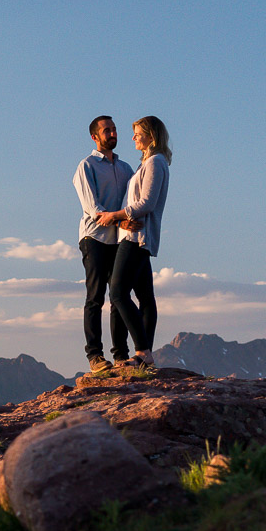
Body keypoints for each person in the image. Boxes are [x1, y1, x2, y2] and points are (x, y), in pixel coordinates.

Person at [97, 115, 171, 367]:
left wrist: (114, 216)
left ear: (151, 135)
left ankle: (142, 351)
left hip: (137, 237)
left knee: (117, 292)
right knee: (145, 296)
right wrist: (121, 220)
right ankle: (145, 356)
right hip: (134, 234)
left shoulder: (155, 163)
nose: (133, 137)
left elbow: (146, 203)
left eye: (137, 132)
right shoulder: (147, 164)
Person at [72, 116, 135, 372]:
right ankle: (95, 356)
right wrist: (121, 222)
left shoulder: (126, 168)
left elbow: (133, 200)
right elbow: (92, 207)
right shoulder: (86, 166)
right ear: (94, 137)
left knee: (119, 296)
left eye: (114, 129)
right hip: (94, 238)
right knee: (95, 297)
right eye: (106, 130)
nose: (112, 133)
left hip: (119, 241)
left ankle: (121, 355)